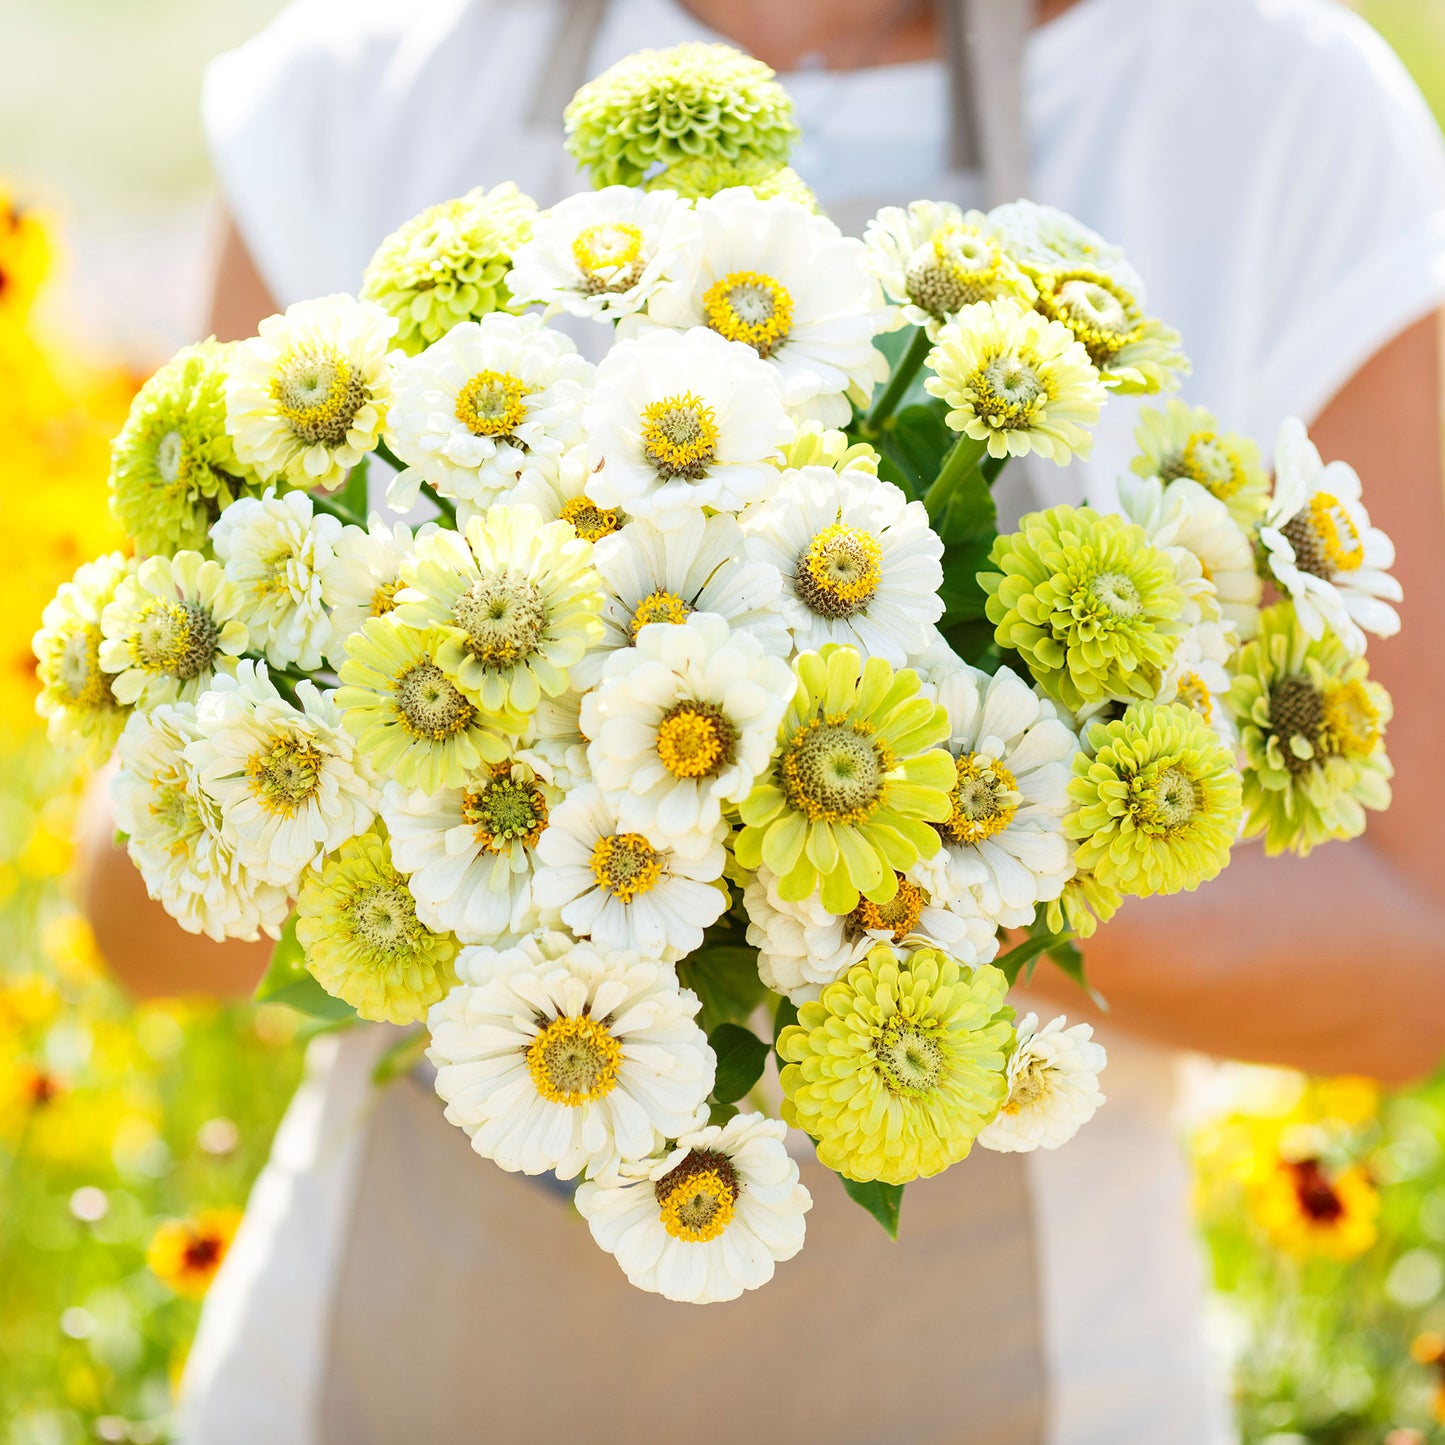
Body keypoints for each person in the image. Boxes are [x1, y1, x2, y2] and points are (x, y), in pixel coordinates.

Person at [77, 0, 1445, 1440]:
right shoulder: (365, 84)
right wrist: (473, 781)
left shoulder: (1269, 107)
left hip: (1022, 1372)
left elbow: (1415, 955)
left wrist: (881, 859)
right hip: (380, 1358)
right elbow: (134, 914)